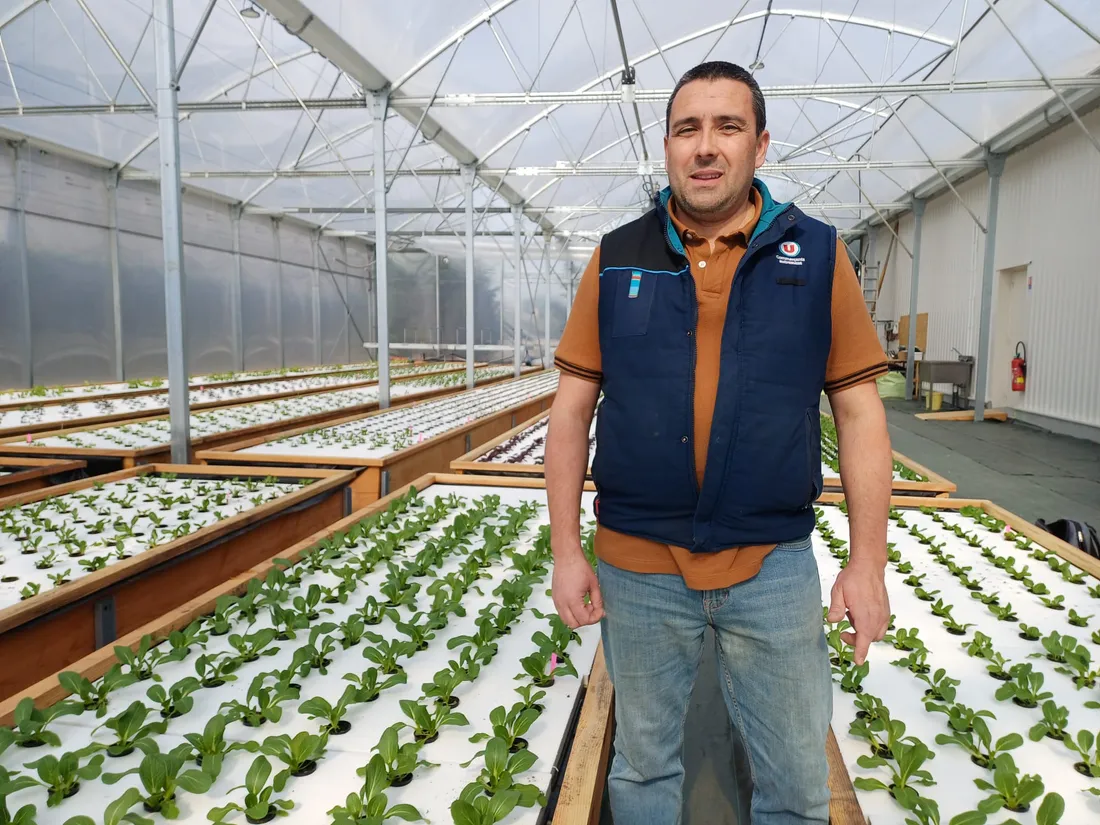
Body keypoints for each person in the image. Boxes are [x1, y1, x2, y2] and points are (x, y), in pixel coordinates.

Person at [545, 61, 892, 825]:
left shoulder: (819, 254)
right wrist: (568, 551)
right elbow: (570, 412)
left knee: (799, 784)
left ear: (761, 146)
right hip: (637, 565)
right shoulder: (615, 257)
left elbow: (861, 413)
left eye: (727, 127)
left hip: (771, 566)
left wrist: (867, 564)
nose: (706, 147)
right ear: (667, 147)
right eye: (687, 129)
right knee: (641, 769)